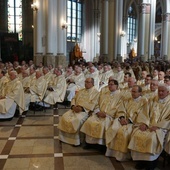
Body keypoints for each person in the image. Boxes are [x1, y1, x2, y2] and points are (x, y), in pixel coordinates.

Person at [128, 84, 170, 170]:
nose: (160, 93)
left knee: (152, 138)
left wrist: (158, 127)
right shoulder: (152, 100)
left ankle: (151, 163)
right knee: (137, 134)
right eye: (159, 91)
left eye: (163, 91)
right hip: (148, 125)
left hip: (161, 128)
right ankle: (141, 161)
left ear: (168, 92)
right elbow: (144, 113)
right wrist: (144, 123)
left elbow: (168, 119)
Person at [105, 85, 148, 161]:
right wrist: (121, 118)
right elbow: (121, 109)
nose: (132, 93)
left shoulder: (144, 101)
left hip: (133, 123)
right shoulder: (128, 99)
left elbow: (142, 114)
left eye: (135, 92)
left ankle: (122, 156)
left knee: (124, 133)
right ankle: (111, 152)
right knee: (113, 128)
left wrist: (129, 120)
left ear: (140, 93)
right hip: (123, 120)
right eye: (132, 91)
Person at [80, 79, 123, 147]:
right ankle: (89, 143)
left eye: (111, 84)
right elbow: (97, 103)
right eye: (109, 84)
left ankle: (101, 145)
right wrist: (97, 111)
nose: (109, 86)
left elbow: (118, 108)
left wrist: (107, 114)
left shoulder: (120, 96)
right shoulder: (104, 94)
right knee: (89, 121)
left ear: (116, 86)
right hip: (99, 114)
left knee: (103, 124)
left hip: (109, 116)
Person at [58, 78, 99, 146]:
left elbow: (94, 103)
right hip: (75, 109)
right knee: (64, 117)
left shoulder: (96, 93)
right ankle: (63, 138)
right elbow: (74, 98)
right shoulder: (81, 90)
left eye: (88, 82)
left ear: (92, 83)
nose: (85, 83)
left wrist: (82, 108)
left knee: (77, 120)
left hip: (84, 111)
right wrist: (73, 106)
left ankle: (75, 141)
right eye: (85, 82)